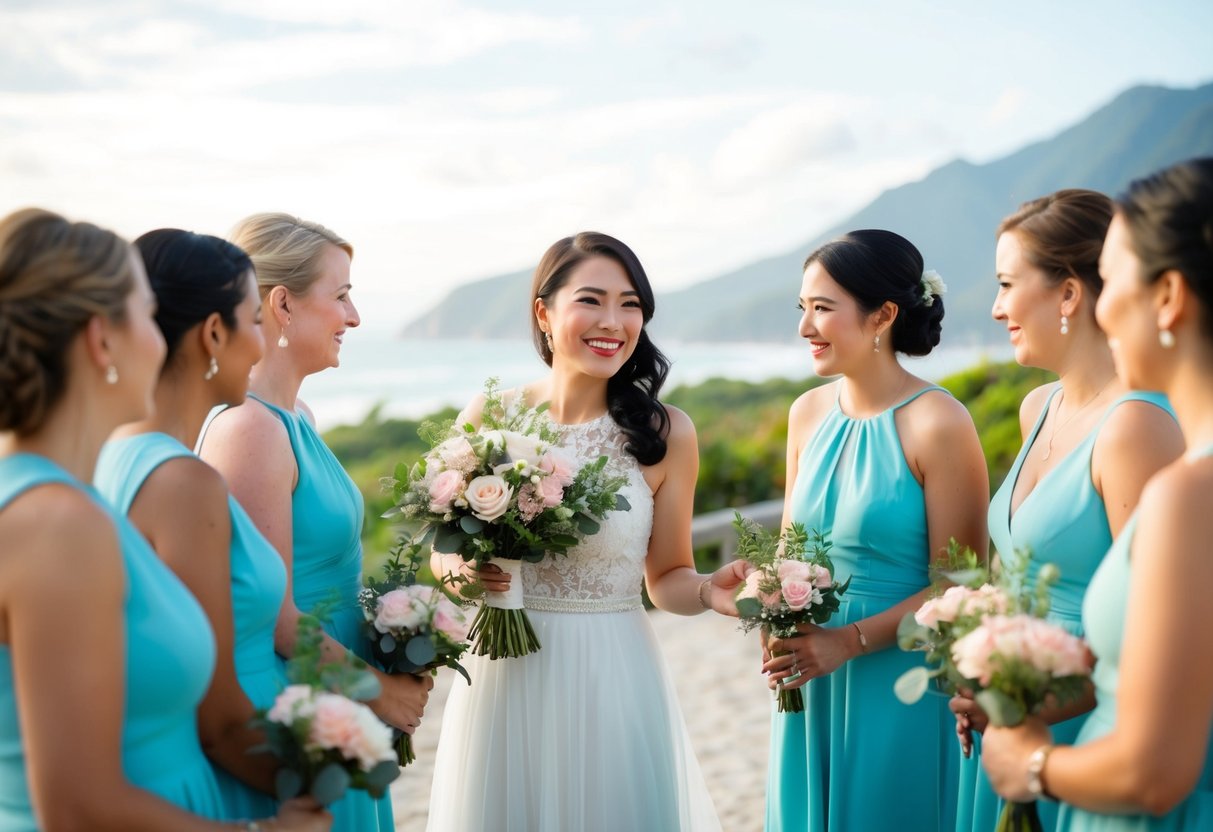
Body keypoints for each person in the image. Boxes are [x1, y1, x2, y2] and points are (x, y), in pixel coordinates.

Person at [0, 208, 328, 831]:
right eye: (145, 312)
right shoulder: (56, 524)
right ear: (103, 339)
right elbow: (76, 807)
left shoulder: (59, 499)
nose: (162, 333)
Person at [425, 231, 748, 832]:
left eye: (630, 304)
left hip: (612, 674)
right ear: (544, 313)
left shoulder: (666, 433)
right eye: (592, 300)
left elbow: (667, 580)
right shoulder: (490, 416)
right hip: (503, 677)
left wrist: (709, 590)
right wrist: (466, 574)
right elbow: (444, 557)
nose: (614, 321)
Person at [981, 158, 1213, 828]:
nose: (1100, 306)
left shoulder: (1184, 493)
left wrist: (1028, 765)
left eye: (1108, 281)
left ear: (1166, 296)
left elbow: (1151, 772)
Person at [199, 213, 429, 832]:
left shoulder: (297, 414)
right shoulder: (249, 430)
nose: (353, 318)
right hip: (305, 698)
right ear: (283, 305)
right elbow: (273, 617)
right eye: (342, 295)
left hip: (339, 690)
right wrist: (379, 691)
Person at [762, 229, 990, 832]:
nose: (806, 327)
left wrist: (849, 641)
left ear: (883, 315)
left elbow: (963, 585)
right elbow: (788, 552)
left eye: (823, 309)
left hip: (897, 677)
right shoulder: (806, 413)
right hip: (807, 675)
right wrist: (769, 612)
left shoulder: (939, 422)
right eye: (802, 309)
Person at [94, 229, 289, 821]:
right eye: (255, 321)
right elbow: (218, 715)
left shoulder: (110, 454)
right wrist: (327, 778)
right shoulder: (184, 484)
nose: (261, 346)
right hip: (222, 785)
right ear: (212, 333)